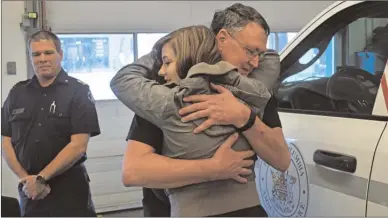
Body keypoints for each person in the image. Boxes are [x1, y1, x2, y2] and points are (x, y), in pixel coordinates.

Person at [110, 3, 290, 217]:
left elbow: (281, 160)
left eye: (259, 53)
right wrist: (213, 169)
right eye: (250, 51)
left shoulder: (256, 92)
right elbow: (133, 171)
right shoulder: (169, 91)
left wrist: (244, 117)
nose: (255, 61)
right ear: (222, 39)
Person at [1, 30, 101, 217]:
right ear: (31, 58)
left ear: (60, 55)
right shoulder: (17, 92)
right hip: (29, 190)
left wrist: (42, 178)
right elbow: (5, 141)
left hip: (69, 189)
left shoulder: (78, 91)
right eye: (36, 54)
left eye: (48, 53)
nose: (42, 59)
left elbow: (78, 145)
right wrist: (27, 180)